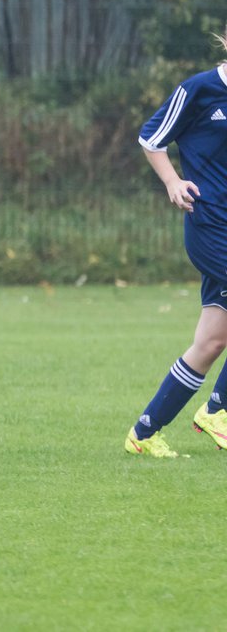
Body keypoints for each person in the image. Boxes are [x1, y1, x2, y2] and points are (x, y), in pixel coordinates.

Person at [126, 31, 227, 457]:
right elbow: (151, 138)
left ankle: (144, 433)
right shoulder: (199, 90)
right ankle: (219, 411)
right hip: (209, 224)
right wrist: (172, 181)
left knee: (212, 341)